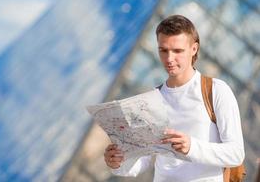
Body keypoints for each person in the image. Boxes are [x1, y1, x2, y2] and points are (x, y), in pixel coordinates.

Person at [103, 15, 245, 181]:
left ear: (194, 49)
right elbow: (144, 160)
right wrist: (118, 162)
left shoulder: (216, 91)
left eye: (177, 51)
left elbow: (236, 153)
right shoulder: (150, 100)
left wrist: (192, 147)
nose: (169, 59)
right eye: (163, 50)